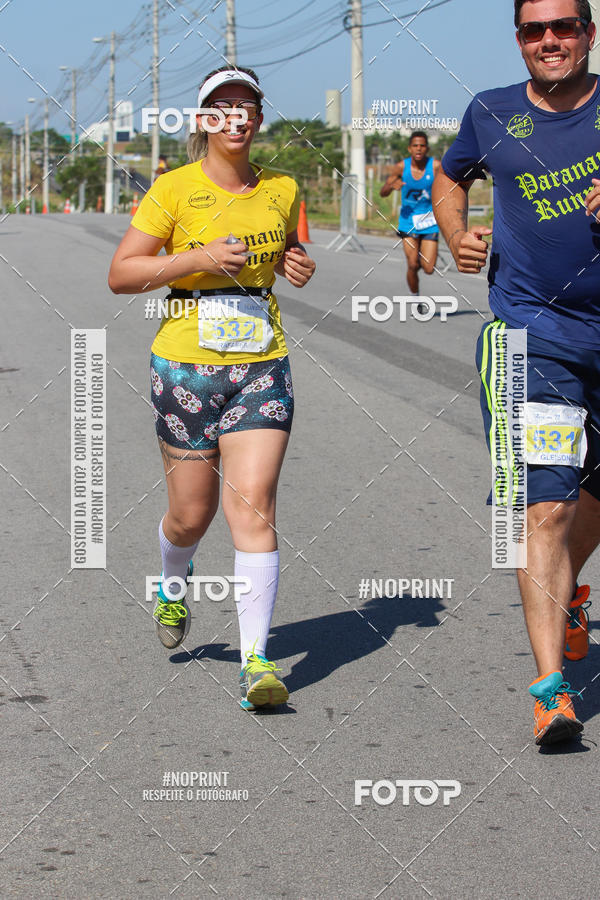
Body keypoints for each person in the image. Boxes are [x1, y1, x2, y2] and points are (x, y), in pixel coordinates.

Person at [108, 65, 316, 711]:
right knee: (190, 515)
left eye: (246, 104)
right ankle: (173, 579)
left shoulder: (282, 187)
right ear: (203, 120)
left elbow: (288, 251)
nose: (235, 115)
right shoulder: (173, 190)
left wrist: (298, 263)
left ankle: (257, 660)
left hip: (262, 362)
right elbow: (121, 274)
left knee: (252, 504)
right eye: (221, 106)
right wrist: (195, 260)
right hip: (186, 368)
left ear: (257, 117)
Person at [432, 0, 600, 746]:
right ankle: (549, 693)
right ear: (519, 40)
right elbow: (449, 177)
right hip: (535, 340)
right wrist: (456, 231)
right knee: (547, 510)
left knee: (589, 506)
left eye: (565, 27)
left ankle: (567, 600)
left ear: (589, 34)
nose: (551, 40)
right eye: (535, 30)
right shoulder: (491, 112)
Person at [380, 132, 441, 311]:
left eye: (422, 146)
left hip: (429, 221)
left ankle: (420, 265)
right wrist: (391, 186)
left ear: (427, 148)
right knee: (413, 264)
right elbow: (382, 192)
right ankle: (415, 298)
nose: (419, 149)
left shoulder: (435, 166)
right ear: (409, 148)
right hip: (408, 222)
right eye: (415, 145)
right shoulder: (401, 167)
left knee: (428, 268)